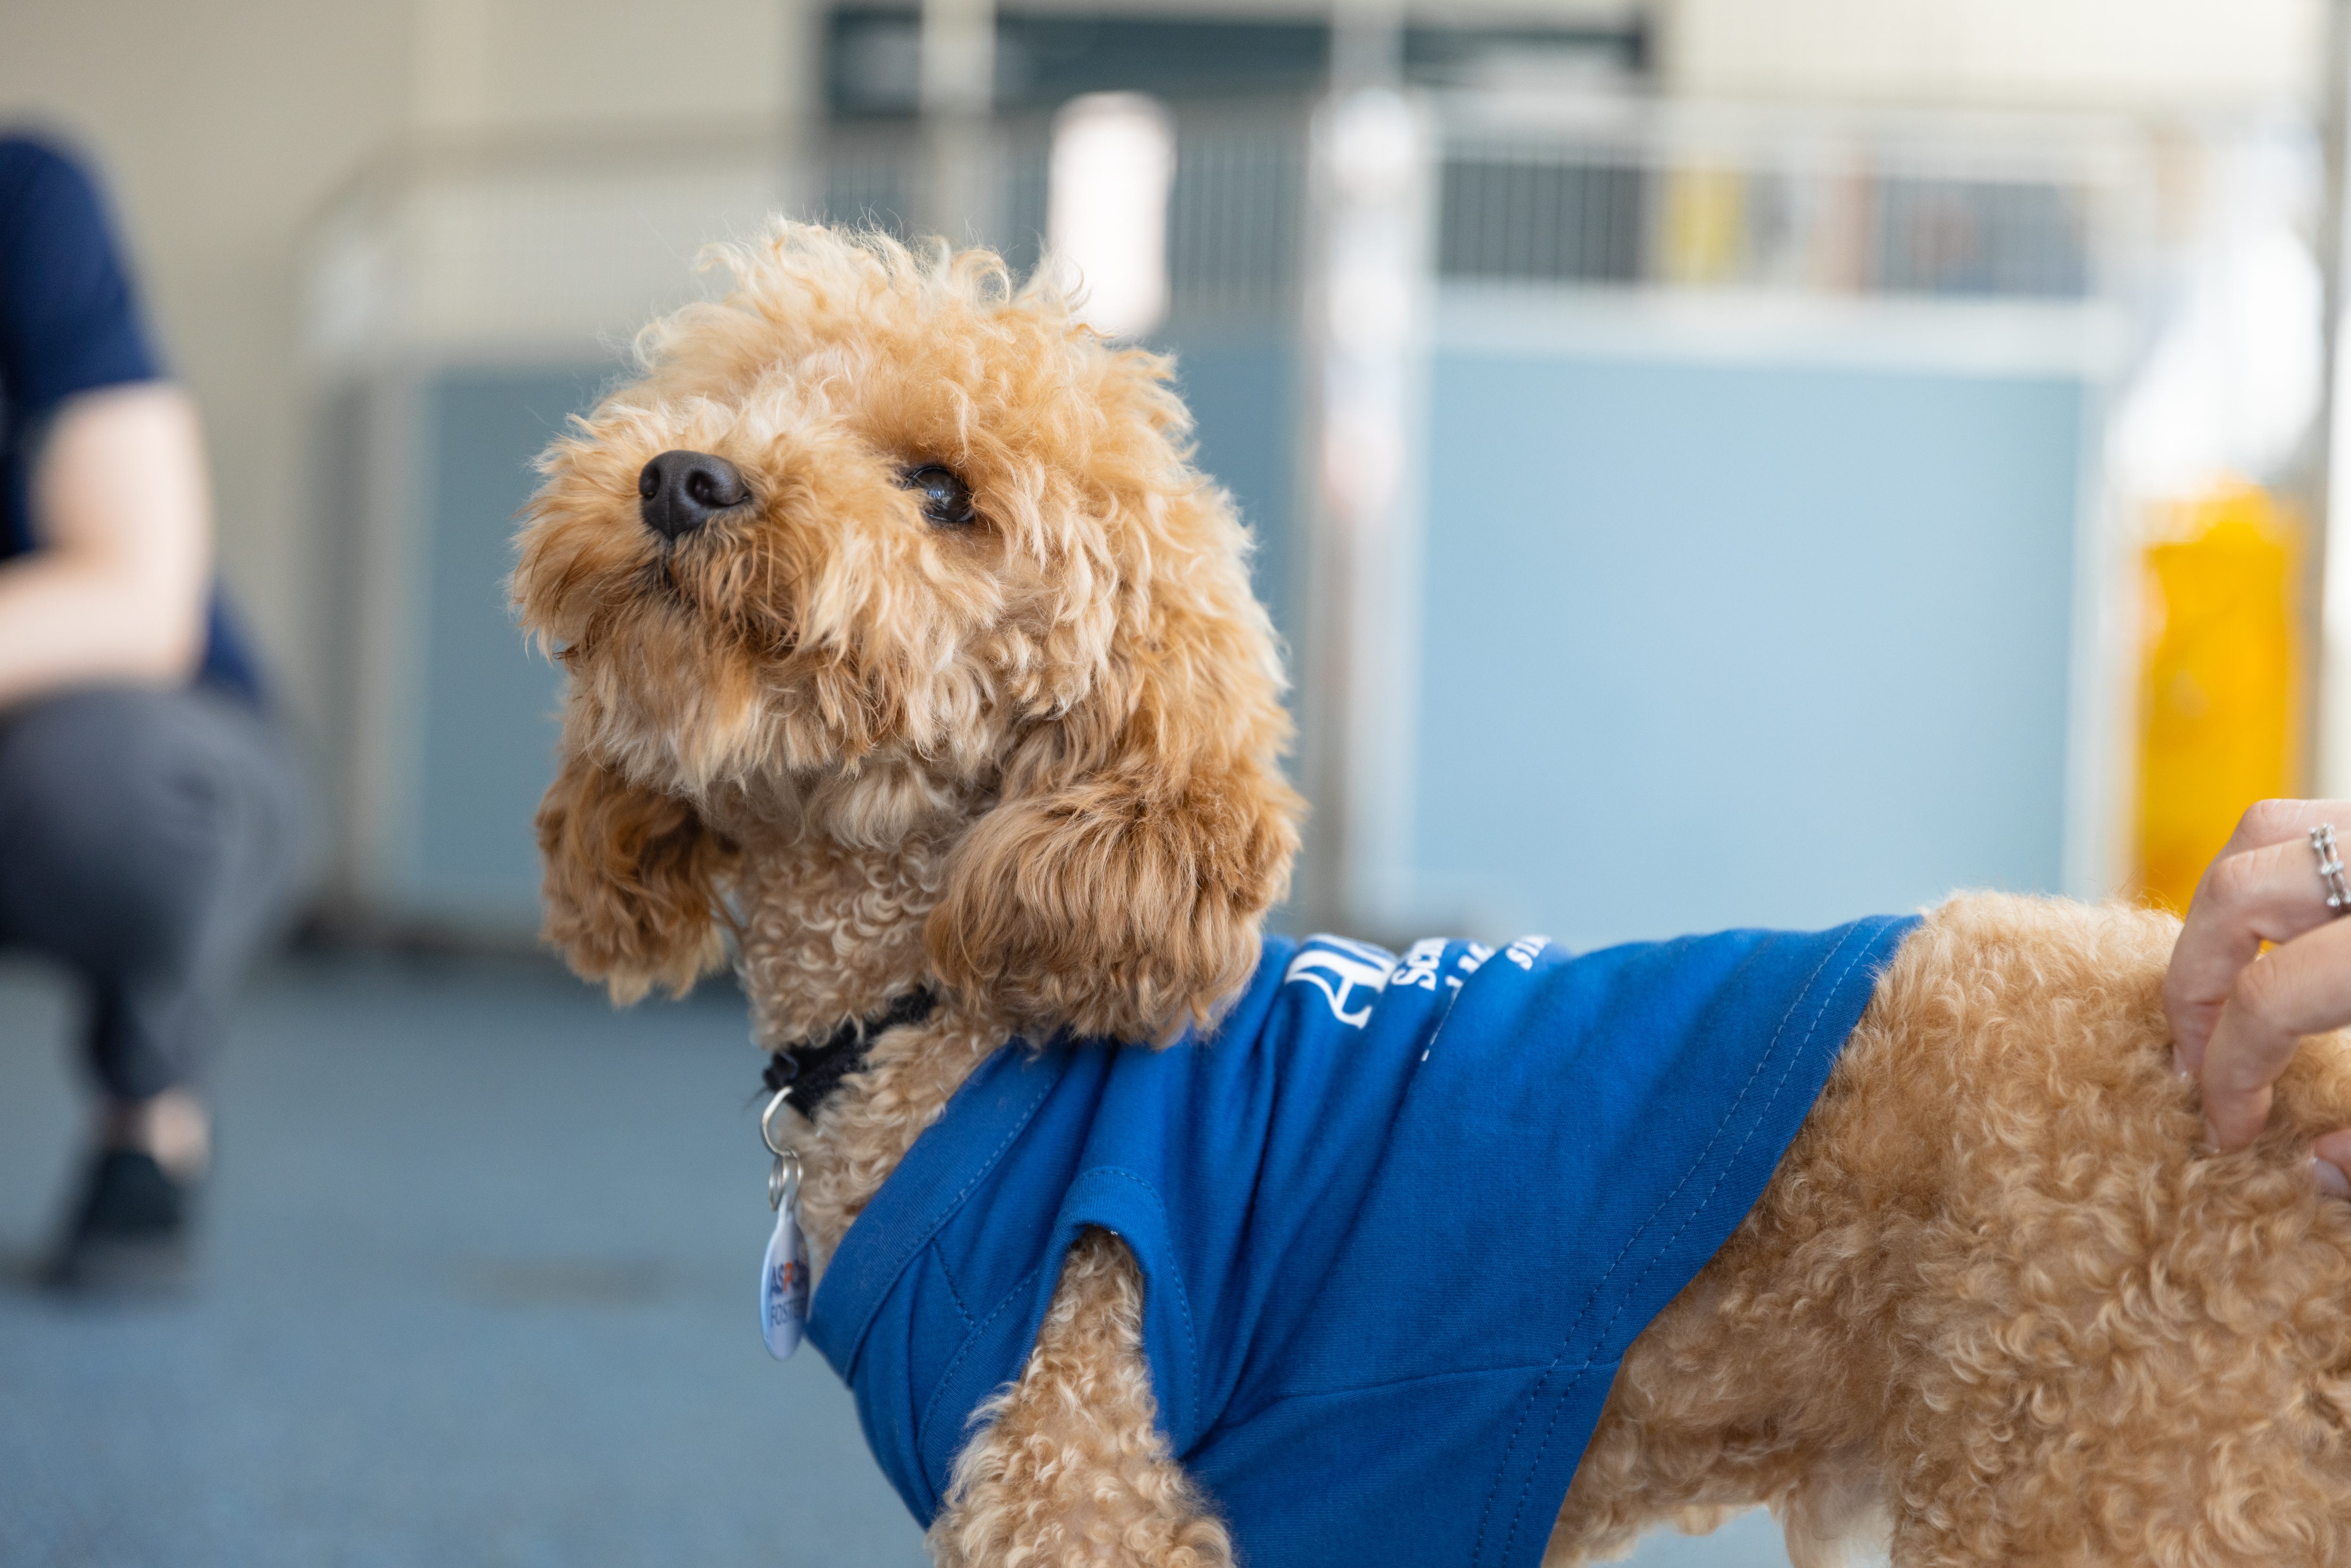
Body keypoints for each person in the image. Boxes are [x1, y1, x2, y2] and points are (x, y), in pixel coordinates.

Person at [0, 133, 308, 1291]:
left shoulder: (23, 199)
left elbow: (136, 597)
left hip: (138, 751)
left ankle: (149, 1108)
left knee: (114, 796)